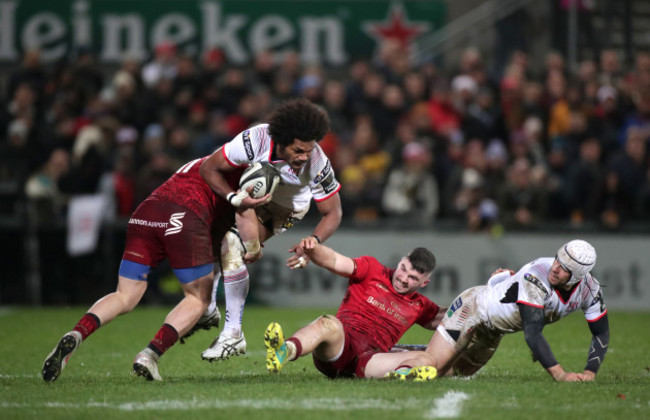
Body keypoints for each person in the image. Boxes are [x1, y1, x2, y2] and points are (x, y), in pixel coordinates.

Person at [41, 151, 270, 382]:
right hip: (183, 216)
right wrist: (253, 249)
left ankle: (77, 332)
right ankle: (150, 354)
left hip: (146, 212)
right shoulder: (244, 177)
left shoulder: (213, 160)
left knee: (124, 295)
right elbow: (225, 231)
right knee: (198, 298)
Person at [197, 98, 343, 361]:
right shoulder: (256, 140)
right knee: (213, 240)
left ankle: (232, 334)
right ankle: (208, 308)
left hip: (285, 209)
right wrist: (233, 198)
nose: (304, 157)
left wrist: (314, 239)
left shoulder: (317, 161)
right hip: (248, 197)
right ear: (282, 139)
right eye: (298, 150)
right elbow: (209, 167)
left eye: (308, 150)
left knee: (232, 245)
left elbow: (333, 212)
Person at [393, 239, 609, 382]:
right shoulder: (536, 275)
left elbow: (601, 332)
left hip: (494, 330)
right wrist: (560, 375)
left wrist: (590, 373)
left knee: (456, 373)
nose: (555, 268)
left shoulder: (590, 290)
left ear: (578, 276)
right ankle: (390, 355)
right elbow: (532, 333)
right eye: (557, 260)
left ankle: (421, 349)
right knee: (434, 367)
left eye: (564, 269)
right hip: (473, 307)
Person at [264, 236, 443, 380]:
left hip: (371, 362)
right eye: (403, 269)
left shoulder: (421, 305)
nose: (403, 279)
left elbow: (452, 318)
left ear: (424, 283)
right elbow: (334, 260)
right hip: (341, 347)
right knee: (329, 323)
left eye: (413, 278)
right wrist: (314, 249)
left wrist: (471, 303)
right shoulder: (372, 269)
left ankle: (401, 375)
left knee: (427, 359)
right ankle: (284, 351)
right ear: (400, 261)